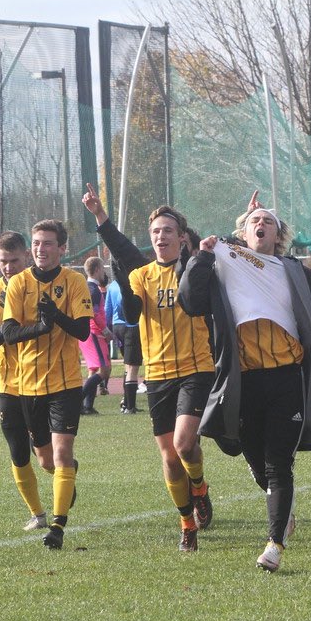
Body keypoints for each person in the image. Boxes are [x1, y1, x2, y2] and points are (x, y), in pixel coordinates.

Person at [179, 191, 311, 572]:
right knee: (253, 458)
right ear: (241, 233)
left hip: (287, 378)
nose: (261, 224)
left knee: (278, 463)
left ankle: (274, 544)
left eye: (268, 221)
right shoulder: (225, 267)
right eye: (254, 221)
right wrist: (203, 256)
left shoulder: (296, 273)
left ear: (279, 235)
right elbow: (190, 302)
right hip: (243, 380)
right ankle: (282, 512)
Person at [84, 185, 216, 552]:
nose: (161, 236)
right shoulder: (142, 275)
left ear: (183, 237)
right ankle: (187, 521)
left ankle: (200, 487)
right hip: (157, 373)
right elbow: (130, 306)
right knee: (170, 458)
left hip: (196, 367)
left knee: (184, 443)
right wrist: (100, 217)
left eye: (168, 230)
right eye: (156, 231)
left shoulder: (195, 268)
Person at [1, 219, 92, 549]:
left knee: (63, 452)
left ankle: (57, 527)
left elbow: (82, 331)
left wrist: (56, 315)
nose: (41, 248)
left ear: (62, 249)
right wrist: (41, 327)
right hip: (27, 385)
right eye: (37, 243)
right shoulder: (17, 284)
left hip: (66, 383)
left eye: (48, 243)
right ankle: (66, 477)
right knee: (46, 461)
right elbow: (9, 334)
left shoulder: (75, 281)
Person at [0, 231, 58, 531]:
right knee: (17, 452)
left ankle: (65, 473)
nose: (8, 267)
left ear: (26, 256)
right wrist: (12, 330)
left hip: (41, 381)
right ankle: (37, 514)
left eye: (13, 261)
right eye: (2, 262)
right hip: (7, 384)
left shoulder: (40, 289)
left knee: (47, 461)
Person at [104, 259, 142, 414]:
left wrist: (109, 328)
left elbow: (108, 308)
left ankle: (125, 401)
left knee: (127, 364)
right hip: (130, 326)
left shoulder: (112, 286)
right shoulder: (131, 283)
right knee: (133, 366)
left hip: (117, 326)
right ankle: (129, 406)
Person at [78, 256, 113, 415]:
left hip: (88, 333)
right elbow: (93, 312)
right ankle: (77, 402)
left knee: (93, 370)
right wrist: (105, 330)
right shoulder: (93, 289)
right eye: (103, 269)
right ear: (98, 269)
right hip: (94, 333)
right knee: (104, 371)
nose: (104, 273)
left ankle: (87, 406)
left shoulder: (86, 287)